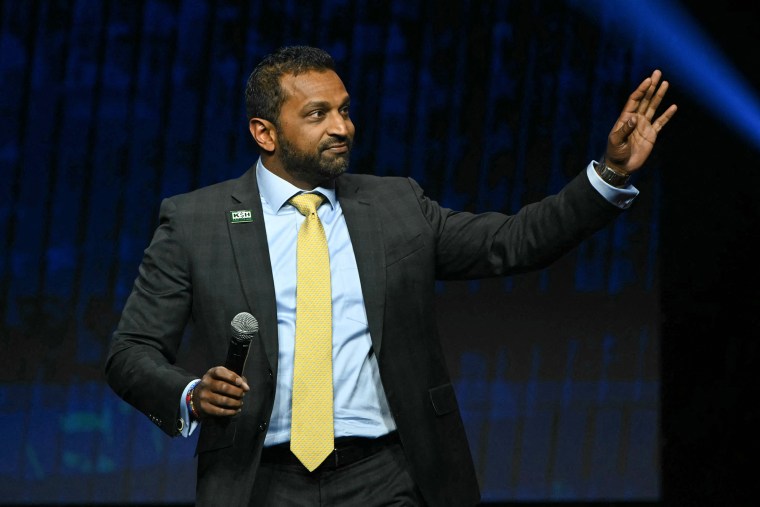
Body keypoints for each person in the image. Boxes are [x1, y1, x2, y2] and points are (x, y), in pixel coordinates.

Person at [105, 45, 676, 506]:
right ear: (264, 133)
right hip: (259, 482)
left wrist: (608, 175)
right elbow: (130, 353)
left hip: (389, 476)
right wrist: (190, 393)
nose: (342, 127)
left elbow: (514, 242)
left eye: (345, 110)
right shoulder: (195, 219)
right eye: (317, 114)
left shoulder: (397, 204)